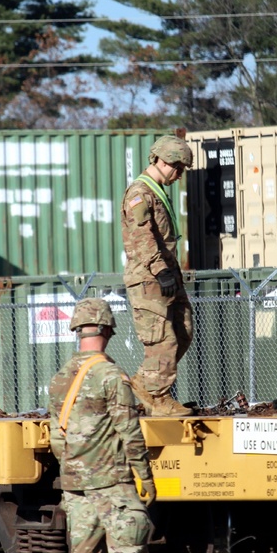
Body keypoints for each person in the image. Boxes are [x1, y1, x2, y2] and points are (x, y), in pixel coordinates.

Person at [48, 298, 155, 553]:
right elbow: (130, 432)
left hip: (75, 489)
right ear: (108, 330)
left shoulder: (59, 379)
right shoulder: (110, 375)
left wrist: (75, 470)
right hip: (112, 486)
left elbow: (57, 439)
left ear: (77, 330)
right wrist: (145, 477)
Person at [121, 135, 195, 417]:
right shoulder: (139, 193)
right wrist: (160, 269)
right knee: (162, 339)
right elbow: (142, 237)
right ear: (164, 161)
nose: (179, 175)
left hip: (166, 275)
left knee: (182, 331)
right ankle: (159, 397)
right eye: (178, 168)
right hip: (150, 278)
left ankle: (144, 382)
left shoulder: (157, 191)